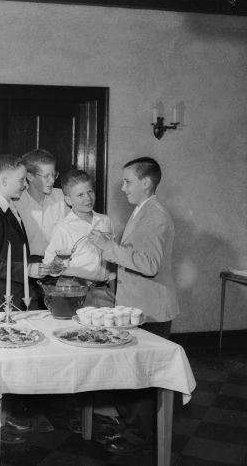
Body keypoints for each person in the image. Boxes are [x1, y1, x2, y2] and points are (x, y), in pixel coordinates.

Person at [89, 157, 178, 454]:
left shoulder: (155, 215)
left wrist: (109, 249)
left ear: (146, 183)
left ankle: (137, 441)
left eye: (128, 181)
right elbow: (138, 253)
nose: (122, 187)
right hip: (139, 308)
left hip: (149, 310)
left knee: (140, 378)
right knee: (134, 376)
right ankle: (134, 435)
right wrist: (113, 245)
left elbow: (150, 265)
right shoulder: (143, 211)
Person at [0, 154, 53, 443]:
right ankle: (2, 424)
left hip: (15, 293)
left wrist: (38, 265)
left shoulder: (9, 207)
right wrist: (27, 269)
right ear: (4, 180)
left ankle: (15, 417)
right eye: (21, 179)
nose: (25, 183)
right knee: (3, 361)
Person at [43, 169, 116, 308]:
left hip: (103, 291)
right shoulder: (63, 227)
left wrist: (113, 292)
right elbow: (50, 265)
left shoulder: (106, 221)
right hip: (73, 290)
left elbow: (113, 261)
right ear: (69, 200)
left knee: (106, 329)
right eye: (80, 195)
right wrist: (55, 264)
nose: (88, 198)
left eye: (90, 192)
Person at [18, 149, 68, 262]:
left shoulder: (63, 198)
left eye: (54, 175)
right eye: (46, 176)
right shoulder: (17, 203)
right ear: (29, 176)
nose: (52, 180)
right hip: (28, 267)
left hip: (59, 265)